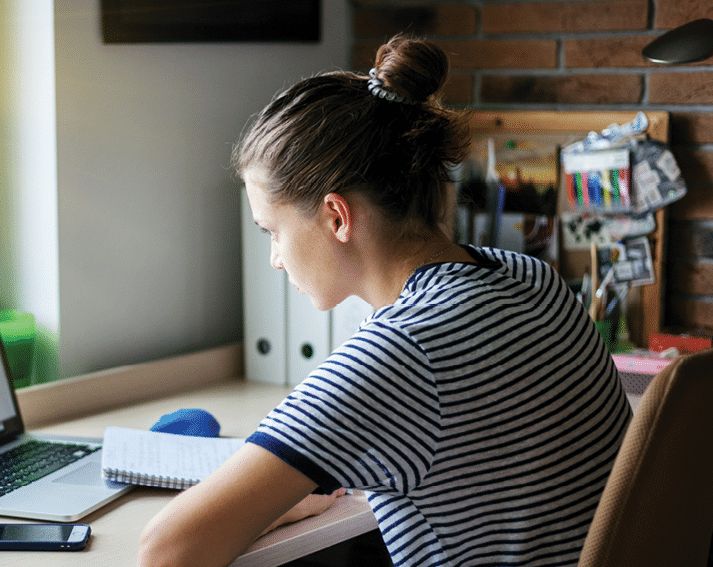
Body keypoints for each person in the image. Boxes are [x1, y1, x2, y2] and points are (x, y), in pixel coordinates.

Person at [138, 35, 632, 567]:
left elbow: (167, 548)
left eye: (272, 231)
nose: (276, 259)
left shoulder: (401, 352)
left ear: (337, 217)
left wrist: (264, 507)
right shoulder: (533, 278)